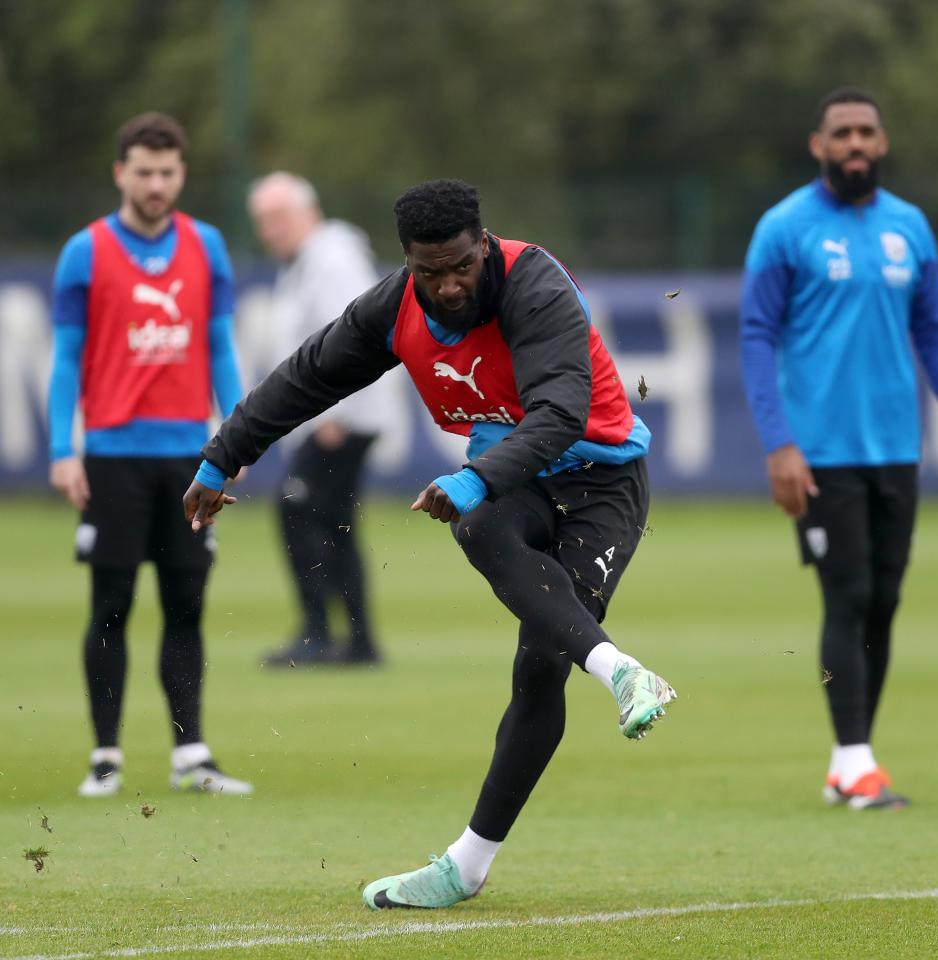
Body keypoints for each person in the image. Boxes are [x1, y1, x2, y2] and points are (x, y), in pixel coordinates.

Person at [183, 178, 676, 908]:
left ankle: (467, 865)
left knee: (540, 664)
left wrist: (475, 478)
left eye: (460, 267)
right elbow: (307, 377)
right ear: (409, 263)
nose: (447, 287)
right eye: (429, 272)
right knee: (478, 530)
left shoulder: (535, 284)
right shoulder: (396, 306)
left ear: (483, 245)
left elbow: (563, 412)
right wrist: (221, 456)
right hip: (514, 481)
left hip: (601, 484)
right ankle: (620, 672)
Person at [739, 87, 938, 810]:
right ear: (817, 145)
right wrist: (778, 442)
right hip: (819, 451)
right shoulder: (784, 228)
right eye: (841, 133)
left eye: (866, 132)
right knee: (847, 595)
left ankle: (849, 760)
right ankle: (855, 761)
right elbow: (756, 336)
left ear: (882, 143)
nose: (855, 143)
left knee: (883, 599)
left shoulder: (909, 227)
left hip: (894, 447)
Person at [47, 112, 253, 798]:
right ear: (120, 173)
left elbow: (220, 345)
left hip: (190, 458)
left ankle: (190, 755)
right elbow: (67, 360)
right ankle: (105, 755)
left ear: (181, 174)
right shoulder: (86, 251)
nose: (156, 184)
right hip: (111, 454)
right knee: (111, 602)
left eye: (167, 172)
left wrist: (238, 433)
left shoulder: (207, 246)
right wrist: (61, 448)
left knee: (186, 602)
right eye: (144, 171)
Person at [247, 172, 391, 666]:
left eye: (277, 217)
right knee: (333, 522)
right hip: (335, 415)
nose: (269, 230)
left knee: (298, 508)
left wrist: (336, 414)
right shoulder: (309, 261)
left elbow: (352, 337)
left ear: (308, 212)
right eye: (262, 221)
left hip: (339, 418)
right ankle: (358, 640)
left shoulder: (332, 260)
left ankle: (318, 632)